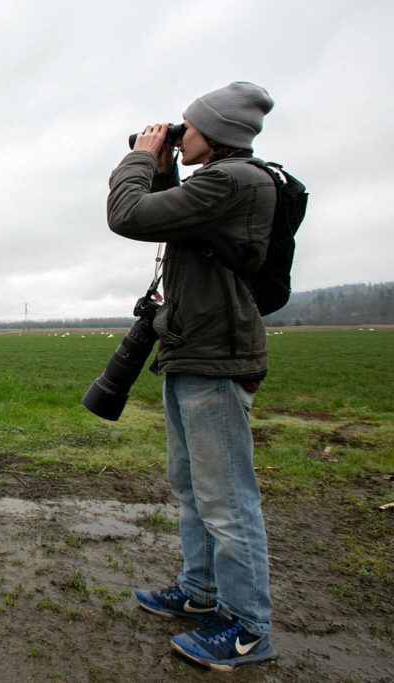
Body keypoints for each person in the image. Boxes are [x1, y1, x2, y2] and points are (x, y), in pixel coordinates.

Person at [105, 82, 279, 671]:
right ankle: (201, 591)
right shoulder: (220, 184)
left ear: (218, 132)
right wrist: (161, 168)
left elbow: (129, 216)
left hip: (215, 358)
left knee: (226, 498)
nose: (178, 134)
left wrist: (136, 160)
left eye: (186, 126)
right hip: (193, 350)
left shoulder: (233, 181)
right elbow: (169, 220)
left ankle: (248, 625)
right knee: (193, 488)